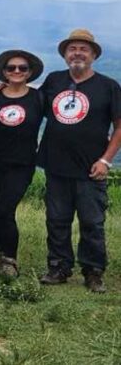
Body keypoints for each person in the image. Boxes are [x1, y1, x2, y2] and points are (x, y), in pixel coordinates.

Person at [36, 29, 121, 293]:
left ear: (94, 55)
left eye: (84, 49)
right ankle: (59, 267)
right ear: (64, 55)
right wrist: (2, 87)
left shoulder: (108, 86)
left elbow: (119, 126)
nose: (77, 53)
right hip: (57, 164)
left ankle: (93, 271)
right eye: (72, 49)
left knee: (92, 222)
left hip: (91, 167)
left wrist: (106, 161)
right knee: (57, 219)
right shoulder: (53, 81)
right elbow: (30, 104)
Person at [0, 50, 44, 279]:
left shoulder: (38, 97)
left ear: (30, 72)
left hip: (21, 163)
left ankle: (10, 261)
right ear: (4, 72)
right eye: (11, 68)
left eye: (22, 68)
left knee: (6, 209)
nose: (16, 71)